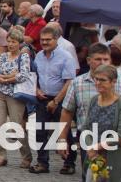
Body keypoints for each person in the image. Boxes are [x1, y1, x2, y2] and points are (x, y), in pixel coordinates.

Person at [58, 42, 121, 177]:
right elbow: (67, 112)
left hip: (118, 144)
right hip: (89, 141)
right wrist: (62, 139)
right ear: (89, 60)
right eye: (98, 59)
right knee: (91, 176)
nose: (102, 62)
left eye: (106, 59)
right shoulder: (78, 83)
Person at [71, 65, 121, 181]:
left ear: (113, 82)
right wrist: (90, 148)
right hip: (94, 157)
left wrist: (98, 146)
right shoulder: (94, 100)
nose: (98, 83)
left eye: (103, 80)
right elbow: (86, 127)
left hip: (115, 158)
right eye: (96, 79)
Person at [29, 25, 77, 174]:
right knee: (40, 131)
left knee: (64, 131)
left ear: (56, 39)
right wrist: (36, 89)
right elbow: (35, 76)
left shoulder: (66, 56)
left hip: (61, 99)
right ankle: (42, 163)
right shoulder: (38, 56)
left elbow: (69, 81)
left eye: (48, 40)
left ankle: (69, 163)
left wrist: (56, 101)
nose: (44, 42)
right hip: (42, 99)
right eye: (42, 39)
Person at [0, 29, 33, 169]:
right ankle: (1, 156)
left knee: (16, 126)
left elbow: (24, 75)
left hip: (15, 95)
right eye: (8, 41)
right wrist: (9, 77)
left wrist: (6, 78)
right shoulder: (2, 56)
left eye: (13, 42)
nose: (10, 44)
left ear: (19, 43)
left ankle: (26, 156)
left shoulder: (24, 57)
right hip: (0, 94)